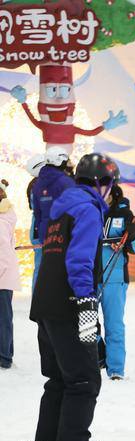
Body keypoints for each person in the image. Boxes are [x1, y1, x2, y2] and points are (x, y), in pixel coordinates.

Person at [29, 153, 118, 441]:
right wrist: (86, 307)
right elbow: (79, 261)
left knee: (59, 378)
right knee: (85, 378)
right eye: (110, 184)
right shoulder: (89, 210)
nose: (111, 191)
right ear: (101, 183)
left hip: (45, 303)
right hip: (73, 303)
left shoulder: (60, 209)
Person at [98, 185, 135, 380]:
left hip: (115, 278)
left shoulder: (124, 214)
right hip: (88, 276)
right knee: (85, 322)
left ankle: (115, 369)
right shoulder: (88, 209)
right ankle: (99, 355)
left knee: (114, 324)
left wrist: (130, 236)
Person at [31, 147, 74, 259]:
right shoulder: (66, 182)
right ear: (60, 161)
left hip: (46, 236)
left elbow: (37, 214)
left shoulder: (37, 184)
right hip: (65, 236)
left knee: (50, 271)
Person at [0, 179, 21, 369]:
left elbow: (3, 250)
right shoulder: (6, 216)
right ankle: (6, 353)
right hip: (5, 275)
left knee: (3, 316)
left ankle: (4, 356)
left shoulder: (1, 219)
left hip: (2, 275)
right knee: (5, 315)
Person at [25, 154, 46, 282]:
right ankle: (38, 299)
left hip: (41, 230)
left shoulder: (36, 184)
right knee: (41, 267)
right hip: (41, 232)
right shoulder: (37, 186)